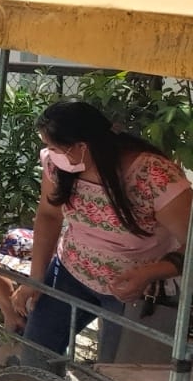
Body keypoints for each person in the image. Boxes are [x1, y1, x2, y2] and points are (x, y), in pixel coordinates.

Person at [12, 100, 190, 362]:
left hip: (137, 291)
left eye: (55, 147)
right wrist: (36, 278)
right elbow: (49, 215)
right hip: (70, 272)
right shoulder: (58, 165)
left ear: (82, 147)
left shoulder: (152, 176)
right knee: (34, 358)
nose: (50, 153)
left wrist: (149, 273)